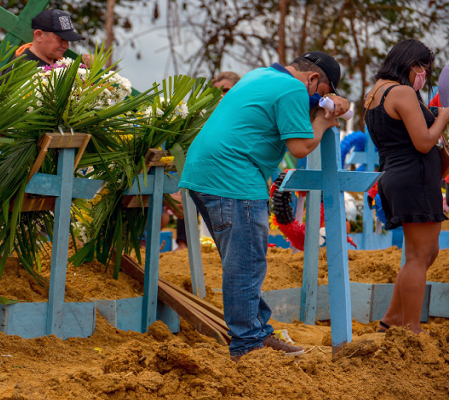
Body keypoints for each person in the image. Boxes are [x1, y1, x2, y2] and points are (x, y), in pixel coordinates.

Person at [180, 51, 349, 362]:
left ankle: (256, 332)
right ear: (312, 80)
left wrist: (331, 101)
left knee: (242, 262)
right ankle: (247, 345)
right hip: (233, 178)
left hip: (203, 173)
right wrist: (325, 123)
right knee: (246, 264)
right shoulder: (294, 89)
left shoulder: (261, 75)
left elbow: (304, 102)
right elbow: (299, 146)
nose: (317, 100)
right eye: (322, 94)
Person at [364, 40, 449, 335]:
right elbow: (424, 141)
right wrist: (445, 115)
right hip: (414, 178)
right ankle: (412, 329)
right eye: (423, 68)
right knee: (418, 255)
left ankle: (391, 320)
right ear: (411, 64)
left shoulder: (375, 92)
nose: (424, 75)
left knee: (424, 253)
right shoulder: (400, 92)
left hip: (399, 176)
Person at [10, 9, 90, 68]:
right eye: (60, 39)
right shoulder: (19, 70)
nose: (66, 46)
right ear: (39, 35)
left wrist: (90, 68)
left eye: (67, 40)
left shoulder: (62, 64)